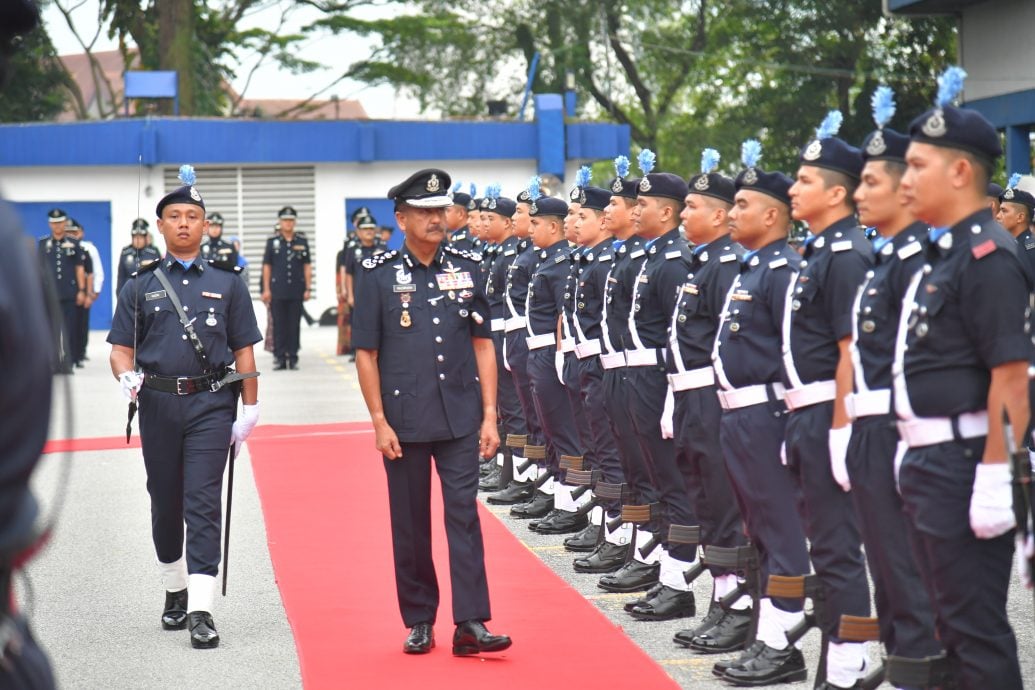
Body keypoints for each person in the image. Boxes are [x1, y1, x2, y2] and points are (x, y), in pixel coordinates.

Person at [896, 67, 1027, 689]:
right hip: (931, 459)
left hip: (967, 460)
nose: (905, 178)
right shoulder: (944, 254)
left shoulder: (988, 256)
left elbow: (1010, 375)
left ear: (960, 172)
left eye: (918, 166)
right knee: (946, 625)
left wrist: (999, 474)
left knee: (975, 630)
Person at [352, 168, 511, 657]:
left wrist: (490, 415)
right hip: (405, 421)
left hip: (461, 416)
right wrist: (379, 422)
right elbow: (366, 354)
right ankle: (420, 618)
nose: (436, 219)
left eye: (440, 211)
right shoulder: (377, 272)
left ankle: (471, 621)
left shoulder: (468, 264)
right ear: (401, 219)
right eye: (424, 212)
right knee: (411, 522)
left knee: (463, 515)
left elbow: (484, 344)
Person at [107, 165, 261, 650]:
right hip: (156, 406)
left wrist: (249, 410)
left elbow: (244, 352)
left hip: (212, 405)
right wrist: (125, 374)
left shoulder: (229, 282)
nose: (183, 224)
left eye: (192, 216)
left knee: (202, 502)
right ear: (161, 226)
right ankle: (174, 588)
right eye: (174, 216)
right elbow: (119, 349)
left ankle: (201, 608)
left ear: (203, 224)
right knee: (165, 503)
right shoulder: (139, 284)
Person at [846, 85, 944, 681]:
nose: (860, 194)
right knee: (887, 565)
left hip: (907, 428)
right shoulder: (888, 258)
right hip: (874, 424)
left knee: (915, 573)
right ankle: (906, 666)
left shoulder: (926, 260)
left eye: (871, 183)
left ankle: (924, 670)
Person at [711, 140, 811, 686]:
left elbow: (795, 355)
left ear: (772, 214)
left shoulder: (783, 270)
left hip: (768, 416)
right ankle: (768, 635)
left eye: (743, 205)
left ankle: (784, 643)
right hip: (738, 418)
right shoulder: (755, 268)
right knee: (762, 532)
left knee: (782, 531)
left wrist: (790, 426)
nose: (733, 213)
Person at [785, 111, 872, 689]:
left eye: (805, 181)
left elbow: (850, 351)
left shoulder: (845, 256)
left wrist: (842, 429)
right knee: (826, 543)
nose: (792, 188)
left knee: (840, 548)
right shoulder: (820, 250)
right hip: (807, 412)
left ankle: (852, 660)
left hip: (829, 413)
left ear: (837, 192)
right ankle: (838, 655)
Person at [664, 149, 751, 650]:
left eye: (692, 206)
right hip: (690, 396)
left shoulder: (727, 266)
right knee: (705, 502)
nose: (684, 214)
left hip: (714, 396)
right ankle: (723, 601)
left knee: (723, 505)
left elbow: (727, 347)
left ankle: (739, 606)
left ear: (717, 214)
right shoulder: (702, 264)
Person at [261, 206, 311, 370]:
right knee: (279, 325)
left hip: (296, 289)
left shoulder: (302, 242)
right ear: (280, 222)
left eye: (291, 220)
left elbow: (307, 266)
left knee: (294, 325)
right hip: (278, 290)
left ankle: (293, 357)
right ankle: (280, 357)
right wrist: (266, 289)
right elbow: (267, 267)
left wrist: (308, 288)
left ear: (294, 222)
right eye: (285, 220)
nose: (288, 223)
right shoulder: (272, 242)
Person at [37, 208, 85, 374]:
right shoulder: (43, 244)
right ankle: (54, 362)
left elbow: (80, 268)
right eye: (54, 223)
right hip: (50, 295)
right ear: (50, 224)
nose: (57, 226)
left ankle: (68, 362)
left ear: (65, 223)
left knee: (70, 329)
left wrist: (82, 290)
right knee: (52, 330)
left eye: (60, 222)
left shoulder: (74, 243)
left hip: (70, 293)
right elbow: (39, 269)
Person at [67, 218, 101, 367]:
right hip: (67, 294)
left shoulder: (87, 249)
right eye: (69, 232)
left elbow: (92, 273)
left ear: (80, 233)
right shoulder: (62, 248)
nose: (72, 235)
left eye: (74, 232)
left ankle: (79, 353)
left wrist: (91, 292)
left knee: (81, 325)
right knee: (69, 327)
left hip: (81, 293)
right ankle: (70, 354)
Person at [116, 218, 162, 295]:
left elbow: (159, 277)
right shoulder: (125, 253)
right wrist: (120, 296)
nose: (138, 240)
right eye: (135, 237)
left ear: (145, 238)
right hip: (130, 294)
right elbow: (121, 278)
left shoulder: (153, 252)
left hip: (149, 294)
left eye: (140, 237)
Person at [446, 183, 478, 251]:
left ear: (460, 214)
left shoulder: (467, 241)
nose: (443, 215)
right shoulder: (450, 237)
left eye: (447, 211)